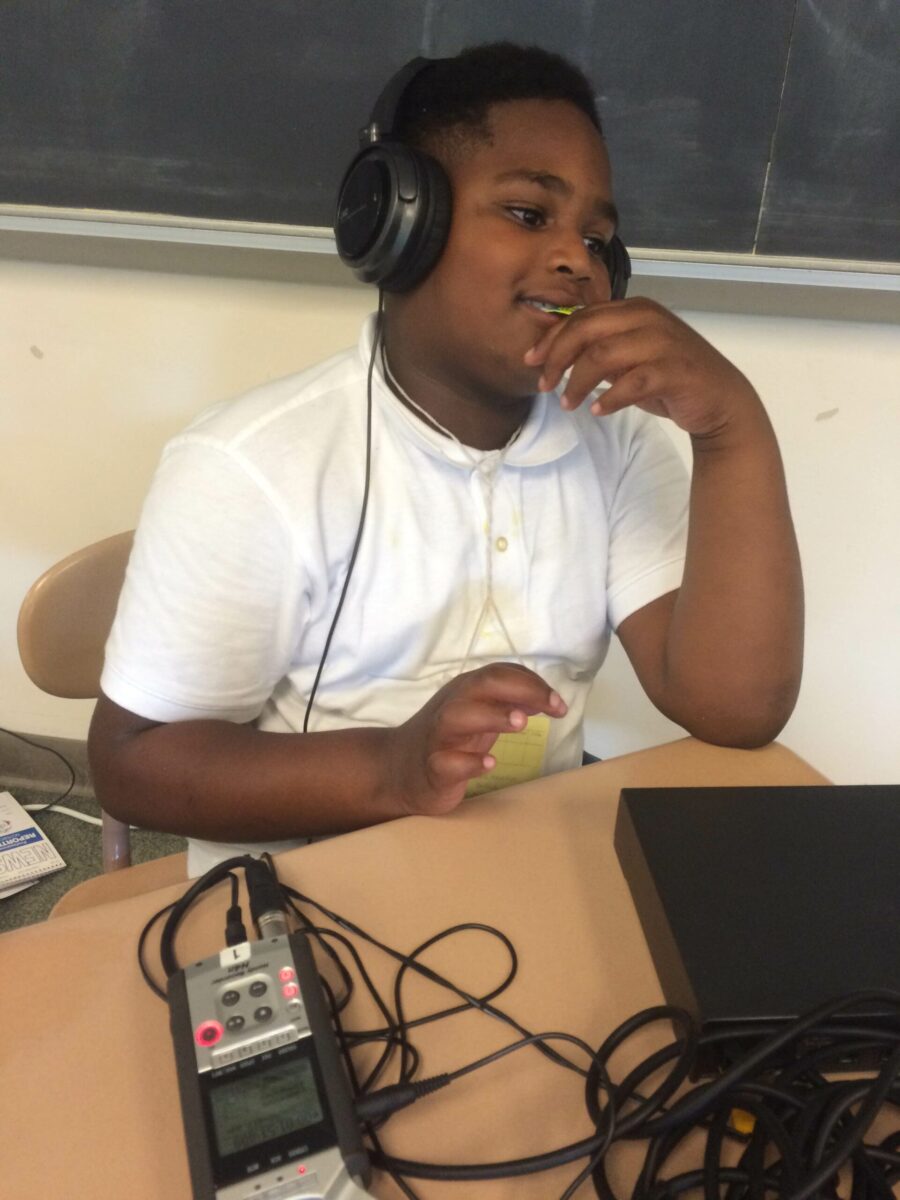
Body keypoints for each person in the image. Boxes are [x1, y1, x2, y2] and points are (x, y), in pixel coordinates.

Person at [88, 44, 803, 875]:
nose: (577, 259)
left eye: (597, 239)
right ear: (403, 225)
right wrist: (391, 768)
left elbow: (735, 709)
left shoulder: (616, 439)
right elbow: (132, 762)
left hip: (528, 865)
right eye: (529, 214)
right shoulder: (251, 466)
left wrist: (732, 429)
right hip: (308, 887)